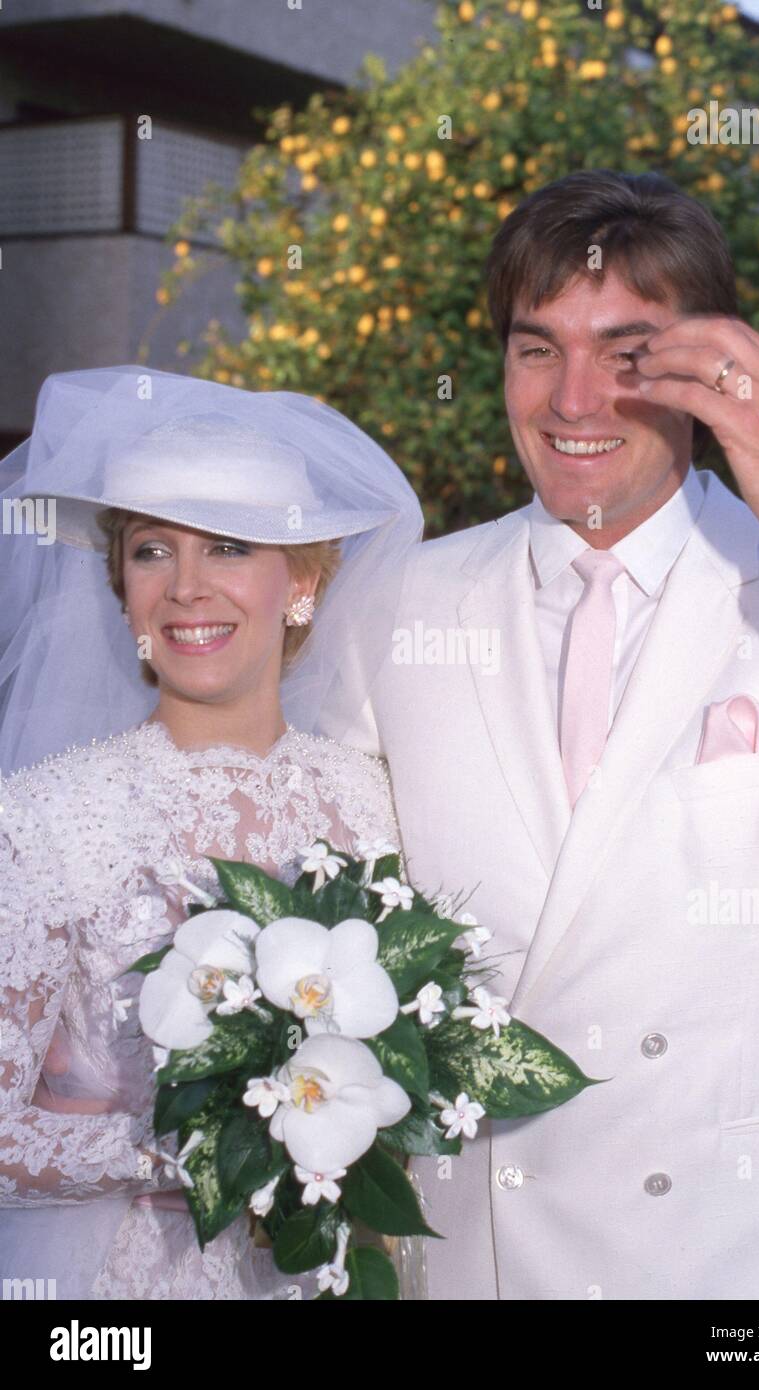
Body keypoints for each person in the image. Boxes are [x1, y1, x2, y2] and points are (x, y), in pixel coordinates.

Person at [317, 169, 759, 1300]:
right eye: (538, 350)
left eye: (629, 354)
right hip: (477, 1259)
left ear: (712, 367)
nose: (574, 400)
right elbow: (325, 901)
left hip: (739, 1271)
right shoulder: (398, 606)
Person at [0, 366, 422, 1299]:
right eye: (152, 551)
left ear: (303, 579)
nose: (185, 588)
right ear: (119, 587)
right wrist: (198, 1146)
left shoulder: (374, 802)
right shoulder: (42, 817)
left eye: (228, 547)